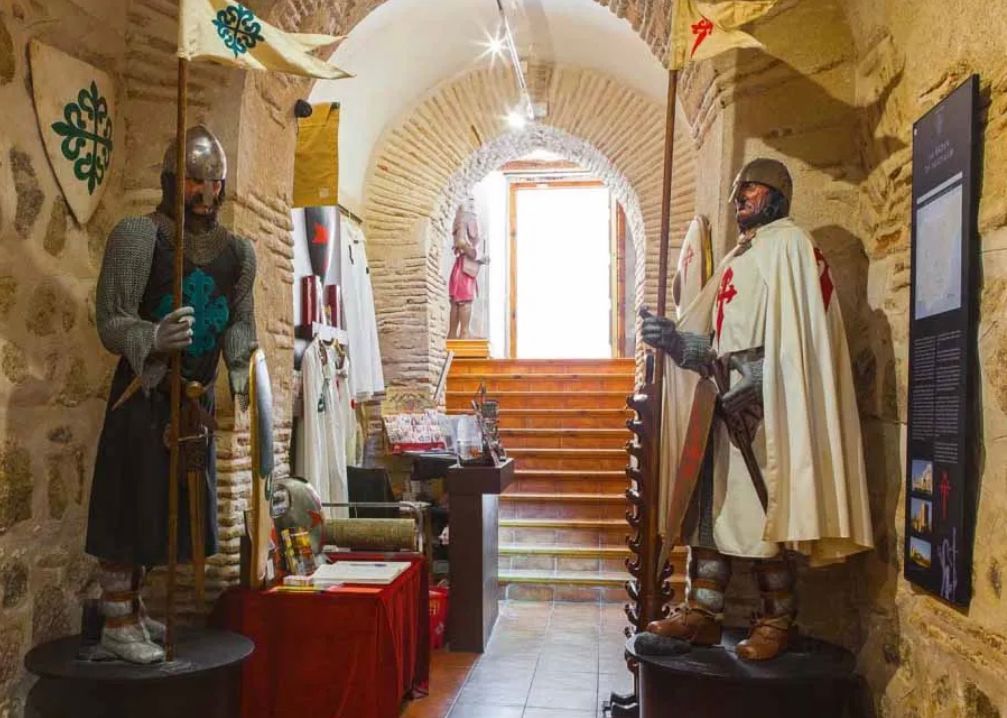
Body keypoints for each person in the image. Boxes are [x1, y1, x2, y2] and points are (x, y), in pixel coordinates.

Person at [641, 158, 872, 660]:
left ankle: (777, 618)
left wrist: (761, 377)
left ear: (778, 194)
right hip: (722, 406)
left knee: (768, 511)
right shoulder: (736, 258)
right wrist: (677, 342)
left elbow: (805, 340)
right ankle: (702, 612)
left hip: (770, 412)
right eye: (738, 191)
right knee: (713, 509)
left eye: (751, 189)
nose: (740, 198)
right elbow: (716, 341)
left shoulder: (792, 247)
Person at [85, 126, 257, 663]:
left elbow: (240, 322)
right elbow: (111, 320)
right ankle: (116, 619)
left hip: (194, 405)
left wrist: (238, 366)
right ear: (170, 181)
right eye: (193, 181)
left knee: (165, 514)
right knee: (129, 504)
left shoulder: (240, 253)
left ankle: (134, 610)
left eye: (214, 182)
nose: (205, 194)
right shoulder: (139, 237)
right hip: (145, 393)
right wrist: (151, 337)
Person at [447, 196, 487, 339]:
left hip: (461, 267)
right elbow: (462, 242)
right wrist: (478, 256)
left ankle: (458, 334)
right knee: (464, 302)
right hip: (464, 268)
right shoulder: (467, 220)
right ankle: (463, 333)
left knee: (458, 302)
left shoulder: (461, 220)